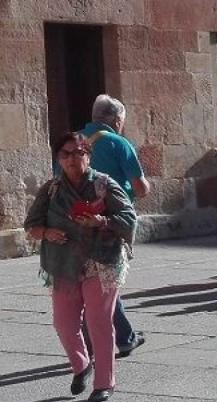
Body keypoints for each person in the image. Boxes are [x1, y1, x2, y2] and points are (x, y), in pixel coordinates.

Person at [24, 132, 137, 402]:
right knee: (63, 323)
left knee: (98, 320)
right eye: (66, 154)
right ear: (58, 159)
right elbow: (31, 225)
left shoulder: (103, 185)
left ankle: (104, 382)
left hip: (101, 260)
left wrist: (101, 221)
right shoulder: (51, 189)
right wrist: (47, 232)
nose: (74, 159)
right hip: (63, 264)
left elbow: (129, 217)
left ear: (88, 155)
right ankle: (82, 365)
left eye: (79, 152)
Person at [76, 94, 148, 357]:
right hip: (111, 224)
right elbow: (140, 189)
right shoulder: (119, 143)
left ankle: (122, 337)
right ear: (117, 120)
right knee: (107, 280)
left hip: (77, 221)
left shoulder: (73, 143)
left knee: (93, 280)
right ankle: (103, 343)